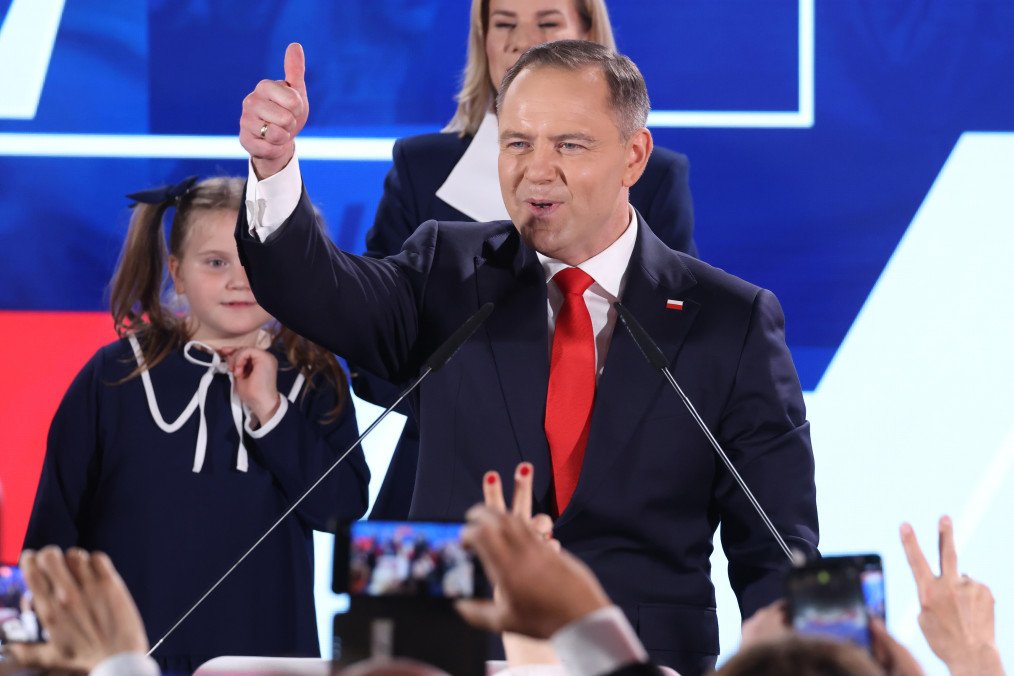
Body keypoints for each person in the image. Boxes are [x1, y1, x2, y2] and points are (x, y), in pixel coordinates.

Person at [236, 40, 815, 675]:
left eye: (569, 145)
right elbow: (321, 290)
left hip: (634, 662)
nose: (537, 170)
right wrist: (275, 168)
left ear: (634, 157)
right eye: (517, 143)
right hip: (441, 653)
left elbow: (781, 551)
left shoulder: (729, 321)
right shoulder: (443, 270)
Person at [362, 0, 698, 520]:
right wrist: (470, 410)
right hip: (440, 495)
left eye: (547, 23)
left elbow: (673, 350)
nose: (523, 41)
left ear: (588, 33)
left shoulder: (653, 179)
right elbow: (373, 351)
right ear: (482, 38)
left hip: (599, 499)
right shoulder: (420, 169)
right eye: (504, 24)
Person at [22, 177, 371, 673]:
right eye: (216, 262)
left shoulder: (314, 376)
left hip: (267, 658)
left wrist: (271, 413)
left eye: (257, 262)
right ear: (177, 273)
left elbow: (342, 509)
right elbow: (53, 531)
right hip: (126, 658)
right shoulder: (115, 374)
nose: (239, 280)